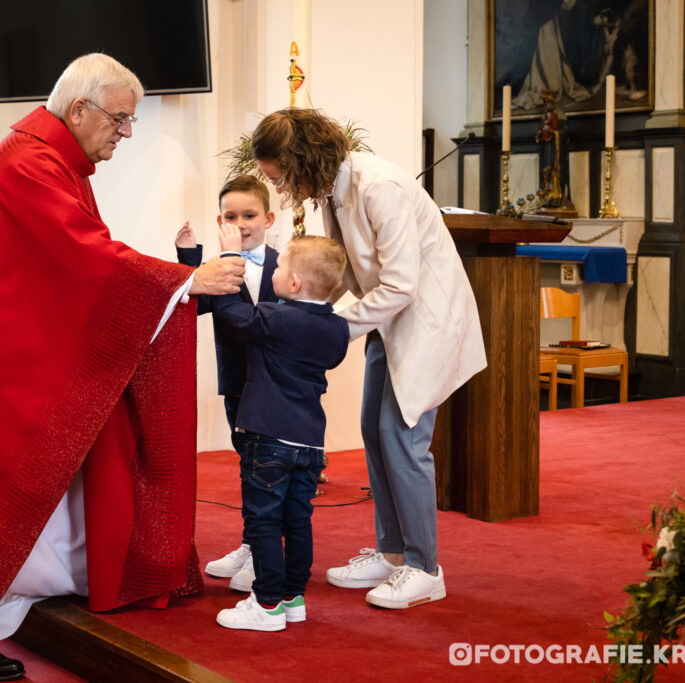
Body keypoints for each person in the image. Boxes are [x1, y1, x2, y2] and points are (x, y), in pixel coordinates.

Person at [0, 53, 245, 682]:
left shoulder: (49, 158)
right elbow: (88, 260)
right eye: (120, 121)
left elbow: (78, 263)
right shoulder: (30, 163)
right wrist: (186, 280)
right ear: (79, 108)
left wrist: (172, 284)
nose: (124, 136)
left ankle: (13, 598)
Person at [250, 108, 486, 610]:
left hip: (424, 320)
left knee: (403, 440)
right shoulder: (334, 189)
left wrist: (331, 331)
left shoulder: (380, 187)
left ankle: (425, 568)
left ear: (302, 159)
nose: (282, 186)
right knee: (372, 433)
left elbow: (401, 283)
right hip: (387, 320)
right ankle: (393, 553)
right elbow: (350, 273)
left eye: (280, 176)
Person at [210, 226, 350, 631]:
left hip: (268, 437)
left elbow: (232, 314)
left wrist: (228, 257)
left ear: (293, 282)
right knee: (297, 520)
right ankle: (292, 597)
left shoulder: (276, 316)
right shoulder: (337, 329)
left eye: (279, 267)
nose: (272, 272)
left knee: (263, 521)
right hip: (309, 443)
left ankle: (267, 604)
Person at [174, 175, 279, 593]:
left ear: (268, 218)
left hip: (275, 385)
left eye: (250, 215)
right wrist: (188, 257)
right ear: (220, 221)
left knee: (267, 472)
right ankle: (252, 542)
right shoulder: (217, 267)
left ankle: (267, 551)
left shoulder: (285, 264)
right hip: (237, 382)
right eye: (231, 216)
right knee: (246, 465)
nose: (241, 224)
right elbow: (191, 305)